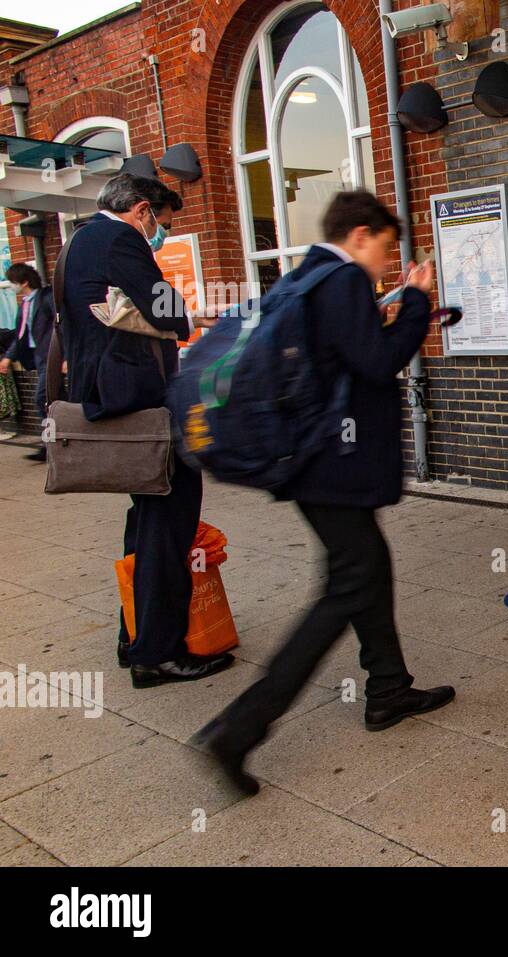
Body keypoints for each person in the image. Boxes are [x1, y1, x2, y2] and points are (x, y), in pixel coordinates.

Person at [193, 190, 455, 797]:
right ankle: (238, 730)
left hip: (316, 464)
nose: (388, 265)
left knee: (368, 568)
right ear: (359, 235)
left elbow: (338, 357)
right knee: (344, 589)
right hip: (333, 468)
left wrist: (384, 311)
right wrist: (415, 301)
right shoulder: (339, 282)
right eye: (386, 251)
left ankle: (388, 688)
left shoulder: (305, 277)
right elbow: (376, 362)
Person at [57, 172, 229, 687]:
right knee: (168, 522)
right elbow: (164, 310)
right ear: (140, 210)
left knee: (146, 518)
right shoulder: (120, 239)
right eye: (162, 223)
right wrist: (193, 316)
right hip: (139, 401)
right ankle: (157, 652)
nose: (161, 234)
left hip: (110, 398)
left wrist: (186, 316)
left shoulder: (80, 241)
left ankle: (135, 634)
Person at [0, 263, 56, 459]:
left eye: (13, 282)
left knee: (43, 399)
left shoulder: (46, 298)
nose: (11, 286)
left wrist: (64, 356)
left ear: (24, 282)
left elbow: (62, 327)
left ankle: (51, 444)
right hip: (38, 358)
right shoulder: (24, 304)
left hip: (51, 356)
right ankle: (52, 443)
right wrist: (8, 357)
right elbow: (21, 334)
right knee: (53, 400)